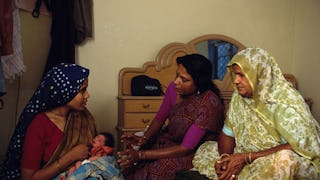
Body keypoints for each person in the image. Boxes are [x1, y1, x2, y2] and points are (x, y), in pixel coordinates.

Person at [196, 48, 320, 179]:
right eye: (235, 74)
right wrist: (225, 160)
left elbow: (298, 147)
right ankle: (233, 173)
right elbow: (227, 134)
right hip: (248, 156)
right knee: (206, 149)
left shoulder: (285, 102)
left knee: (284, 160)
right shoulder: (238, 98)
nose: (236, 81)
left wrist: (247, 157)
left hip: (281, 158)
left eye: (242, 75)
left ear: (260, 76)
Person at [117, 54, 225, 179]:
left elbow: (186, 147)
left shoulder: (209, 103)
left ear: (199, 83)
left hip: (194, 150)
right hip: (171, 141)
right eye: (177, 75)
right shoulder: (173, 88)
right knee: (134, 160)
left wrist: (141, 154)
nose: (176, 81)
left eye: (184, 79)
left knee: (158, 168)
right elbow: (159, 119)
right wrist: (144, 138)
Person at [1, 63, 97, 180]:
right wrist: (70, 157)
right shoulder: (39, 125)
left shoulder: (82, 117)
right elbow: (29, 178)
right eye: (82, 90)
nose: (88, 95)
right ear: (65, 91)